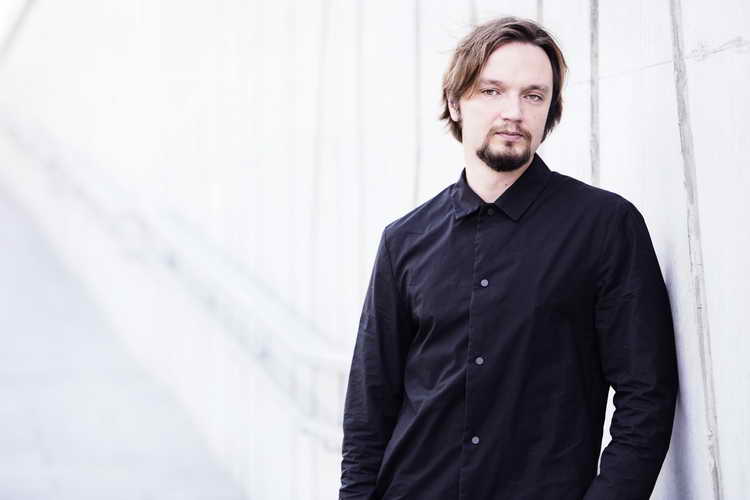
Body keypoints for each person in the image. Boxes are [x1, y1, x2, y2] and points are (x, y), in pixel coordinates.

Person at [339, 16, 679, 500]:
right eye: (492, 91)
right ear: (455, 102)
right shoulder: (404, 240)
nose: (513, 112)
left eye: (534, 96)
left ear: (551, 111)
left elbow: (647, 397)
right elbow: (368, 409)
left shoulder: (605, 227)